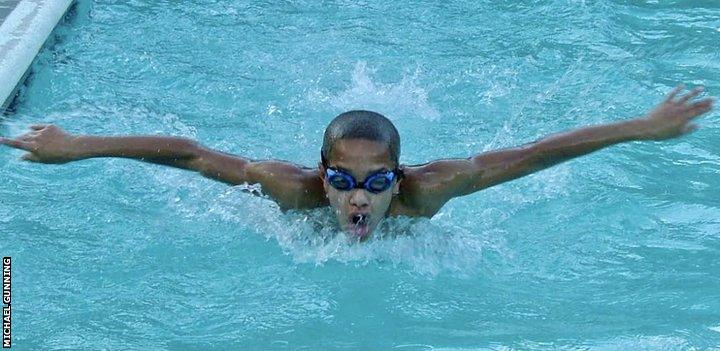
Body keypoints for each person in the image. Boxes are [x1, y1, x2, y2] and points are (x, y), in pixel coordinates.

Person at [0, 86, 713, 240]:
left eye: (376, 183)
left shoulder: (430, 193)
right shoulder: (291, 188)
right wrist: (75, 147)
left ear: (399, 178)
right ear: (322, 173)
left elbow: (537, 153)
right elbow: (188, 155)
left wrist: (641, 129)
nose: (358, 200)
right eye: (343, 182)